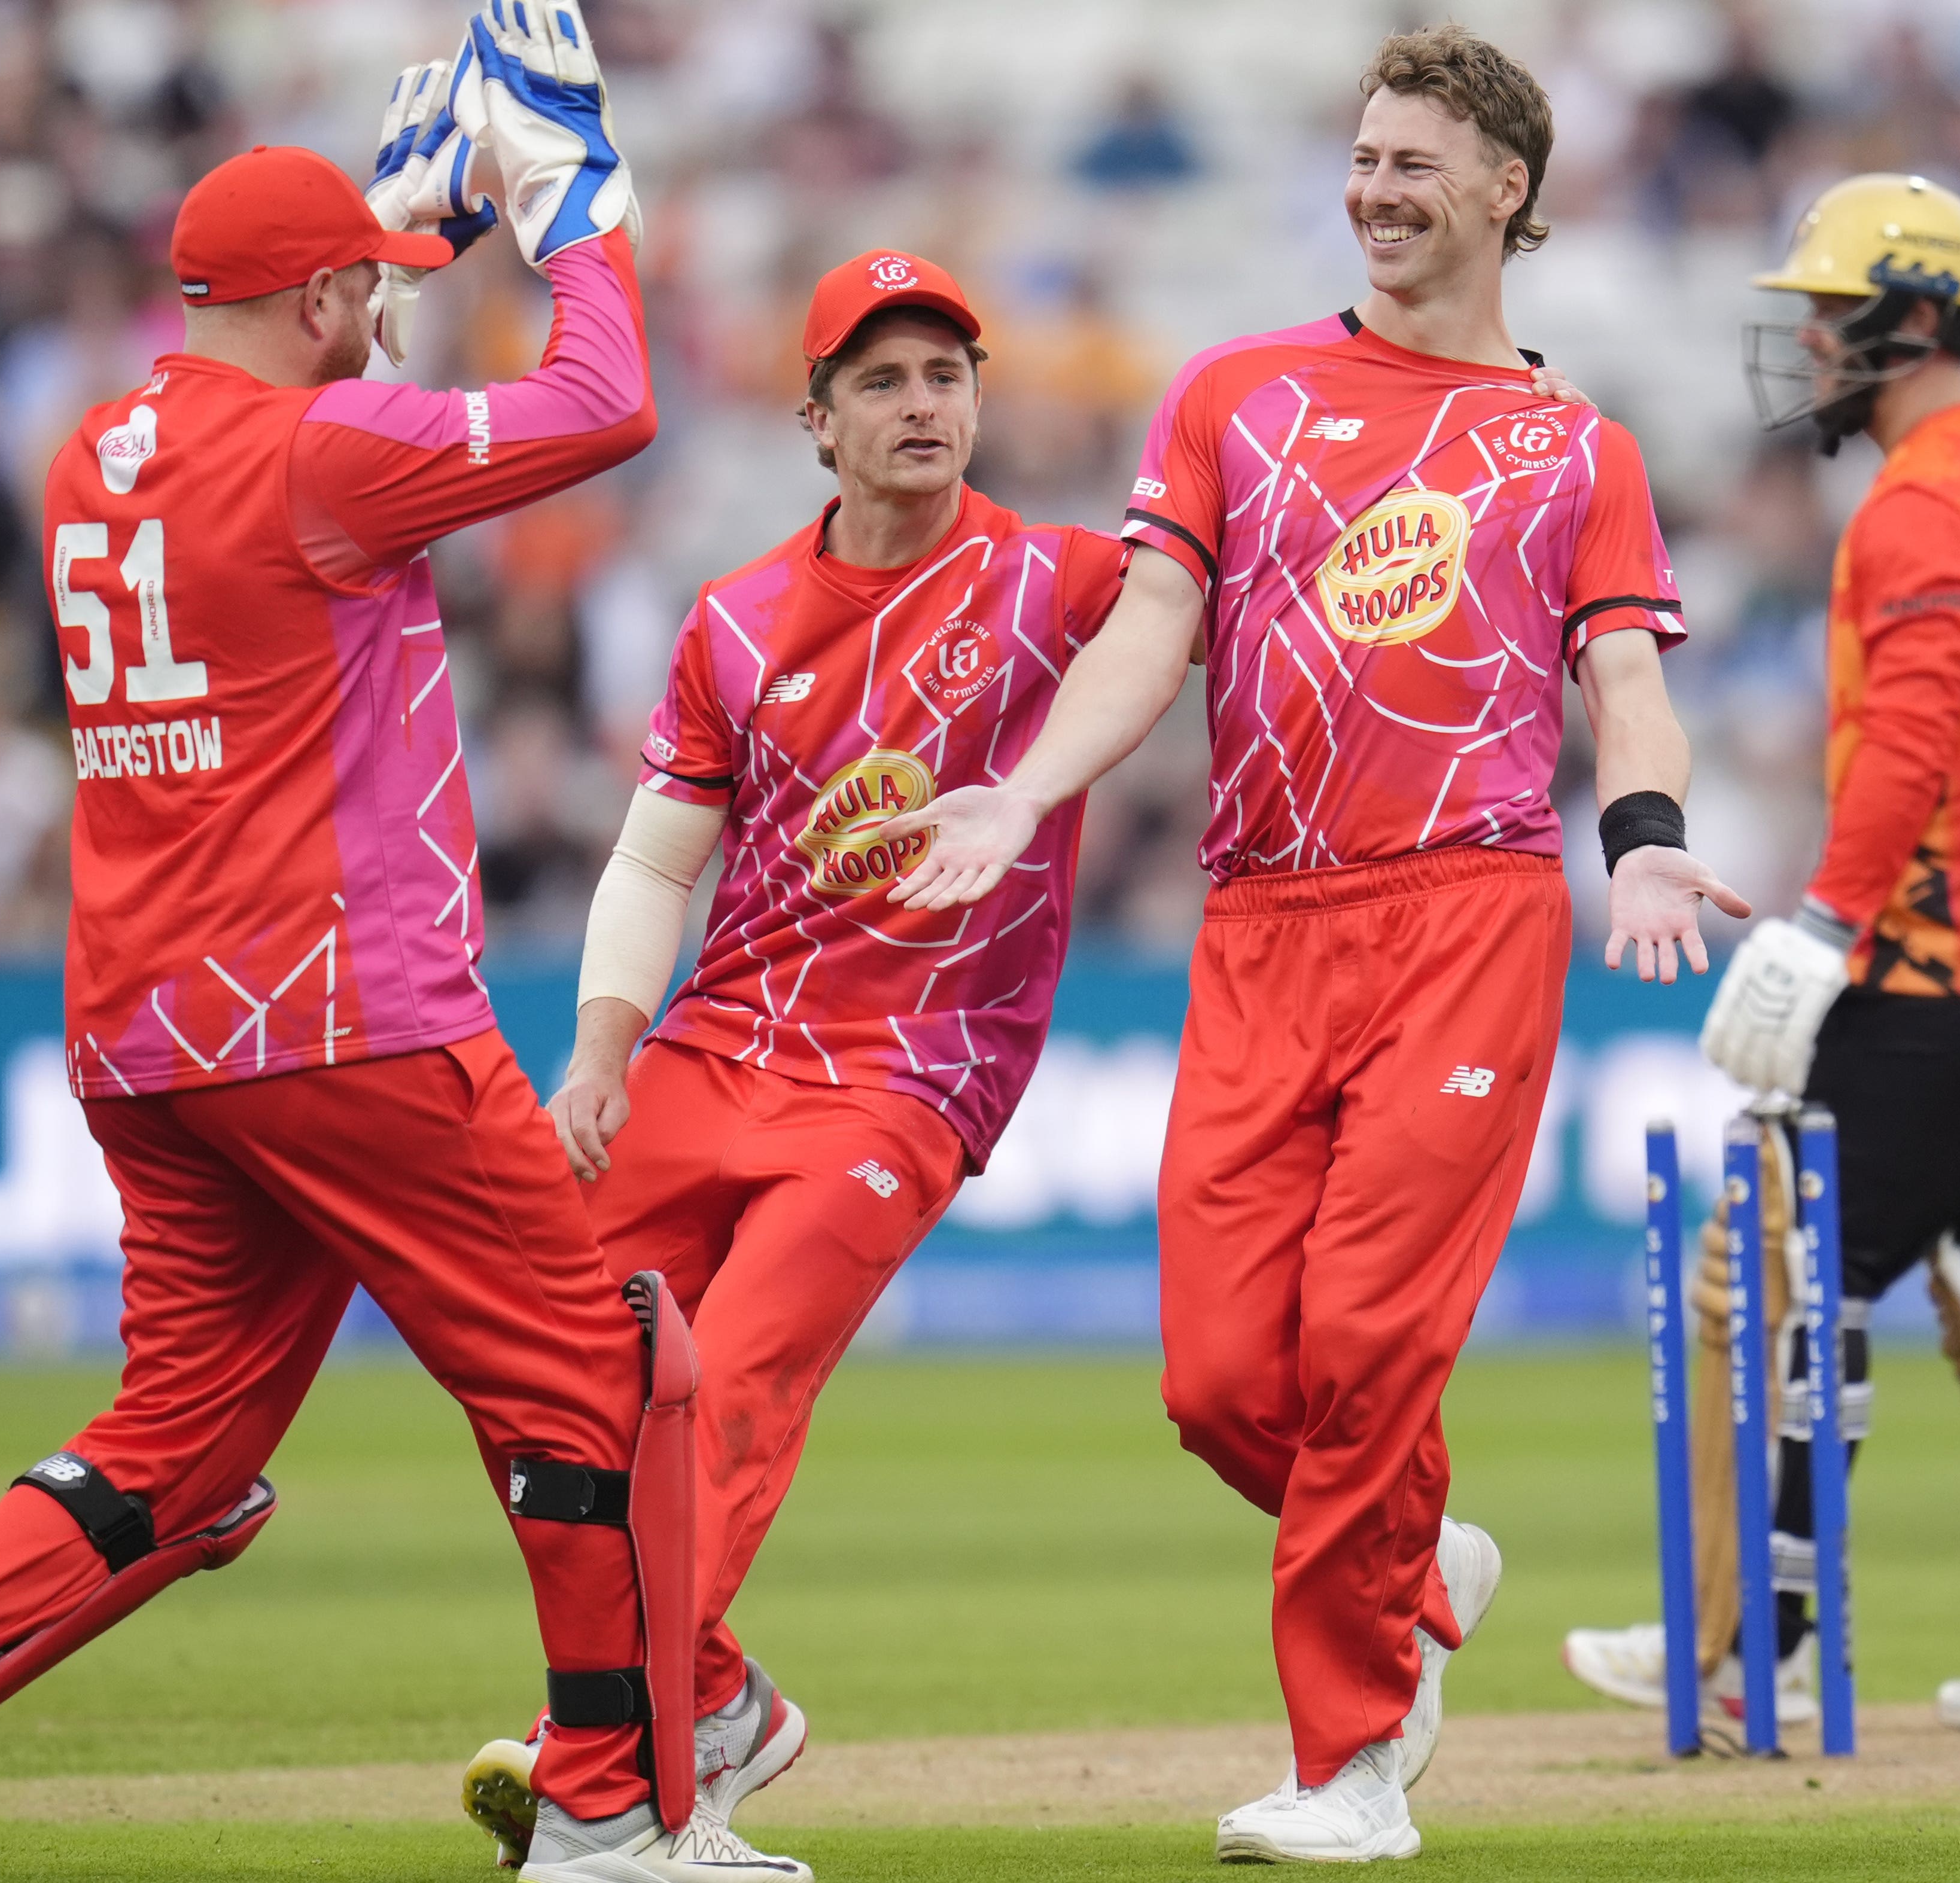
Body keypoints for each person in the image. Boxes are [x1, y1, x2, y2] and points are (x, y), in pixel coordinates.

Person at [0, 11, 751, 1882]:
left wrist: (395, 238)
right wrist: (568, 207)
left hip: (145, 1030)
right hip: (344, 1011)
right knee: (598, 1375)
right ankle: (615, 1808)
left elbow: (310, 372)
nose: (381, 316)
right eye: (360, 296)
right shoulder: (321, 458)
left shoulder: (82, 451)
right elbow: (602, 403)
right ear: (311, 308)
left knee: (181, 1451)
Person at [884, 26, 1745, 1863]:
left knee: (1361, 1347)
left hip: (1468, 914)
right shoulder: (1234, 395)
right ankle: (1420, 1556)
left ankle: (1352, 1768)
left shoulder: (1571, 445)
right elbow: (1147, 629)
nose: (1373, 190)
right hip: (1261, 918)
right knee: (1214, 1381)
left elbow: (1623, 679)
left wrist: (1650, 850)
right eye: (1362, 157)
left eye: (1413, 162)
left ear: (1505, 189)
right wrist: (1024, 787)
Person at [446, 246, 1125, 1878]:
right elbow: (654, 863)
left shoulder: (1063, 581)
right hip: (715, 1046)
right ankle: (709, 1697)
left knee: (731, 1377)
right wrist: (601, 1055)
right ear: (814, 419)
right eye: (882, 380)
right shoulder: (734, 620)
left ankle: (626, 1787)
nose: (921, 404)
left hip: (911, 1070)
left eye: (946, 375)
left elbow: (1212, 608)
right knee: (537, 1356)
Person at [1563, 174, 1960, 1736]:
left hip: (1952, 954)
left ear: (1906, 316)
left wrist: (1826, 924)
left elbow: (1905, 740)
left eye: (1828, 314)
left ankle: (1744, 1639)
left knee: (1770, 1279)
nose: (1807, 344)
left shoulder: (1918, 500)